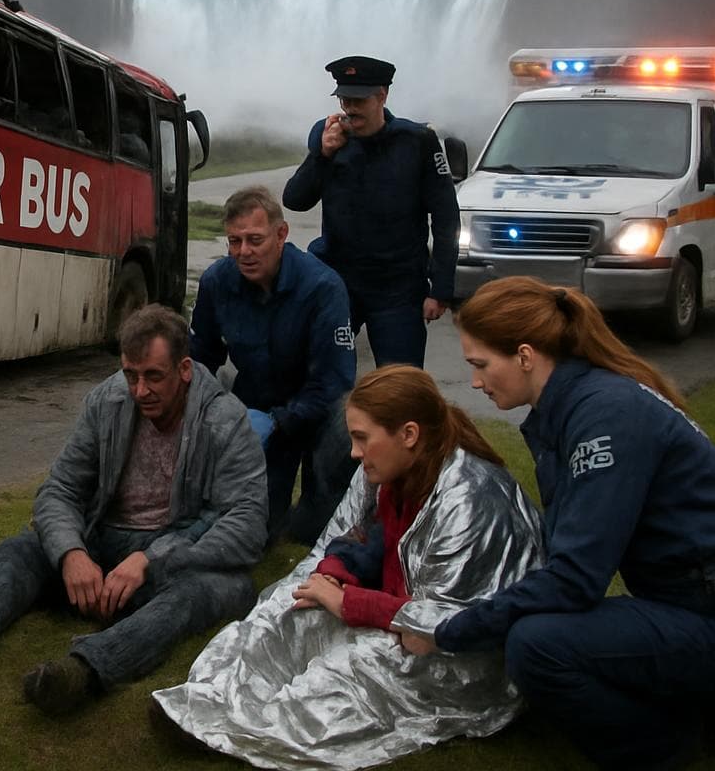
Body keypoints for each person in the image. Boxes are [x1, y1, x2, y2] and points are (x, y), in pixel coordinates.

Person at [424, 276, 715, 768]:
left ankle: (666, 747)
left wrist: (449, 632)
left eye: (480, 365)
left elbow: (577, 579)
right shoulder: (582, 403)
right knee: (538, 623)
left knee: (537, 646)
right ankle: (704, 701)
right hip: (703, 601)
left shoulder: (604, 415)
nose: (474, 382)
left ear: (526, 356)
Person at [150, 365, 544, 770]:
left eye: (361, 438)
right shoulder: (391, 469)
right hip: (399, 613)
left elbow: (440, 626)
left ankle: (256, 728)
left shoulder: (469, 502)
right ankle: (207, 702)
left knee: (347, 672)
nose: (354, 452)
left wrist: (347, 602)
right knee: (288, 608)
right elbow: (358, 534)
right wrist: (332, 572)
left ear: (408, 435)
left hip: (459, 657)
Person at [0, 304, 267, 716]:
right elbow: (60, 490)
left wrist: (151, 559)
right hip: (102, 540)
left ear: (185, 370)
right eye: (130, 375)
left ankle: (83, 671)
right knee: (21, 550)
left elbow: (247, 524)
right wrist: (72, 554)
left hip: (172, 556)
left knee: (209, 593)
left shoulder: (225, 420)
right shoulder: (106, 401)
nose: (140, 390)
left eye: (154, 376)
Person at [189, 186, 356, 544]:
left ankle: (325, 508)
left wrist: (281, 422)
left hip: (315, 411)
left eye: (254, 240)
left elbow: (334, 380)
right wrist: (214, 415)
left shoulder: (323, 287)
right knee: (258, 531)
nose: (244, 252)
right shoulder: (216, 282)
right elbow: (200, 358)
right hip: (257, 402)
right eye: (234, 241)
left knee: (314, 532)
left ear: (281, 235)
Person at [281, 55, 459, 368]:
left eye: (359, 100)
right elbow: (294, 200)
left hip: (398, 289)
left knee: (399, 386)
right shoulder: (328, 138)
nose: (350, 108)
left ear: (382, 96)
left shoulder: (417, 141)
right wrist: (321, 155)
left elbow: (446, 218)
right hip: (340, 282)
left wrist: (441, 288)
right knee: (323, 374)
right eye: (345, 99)